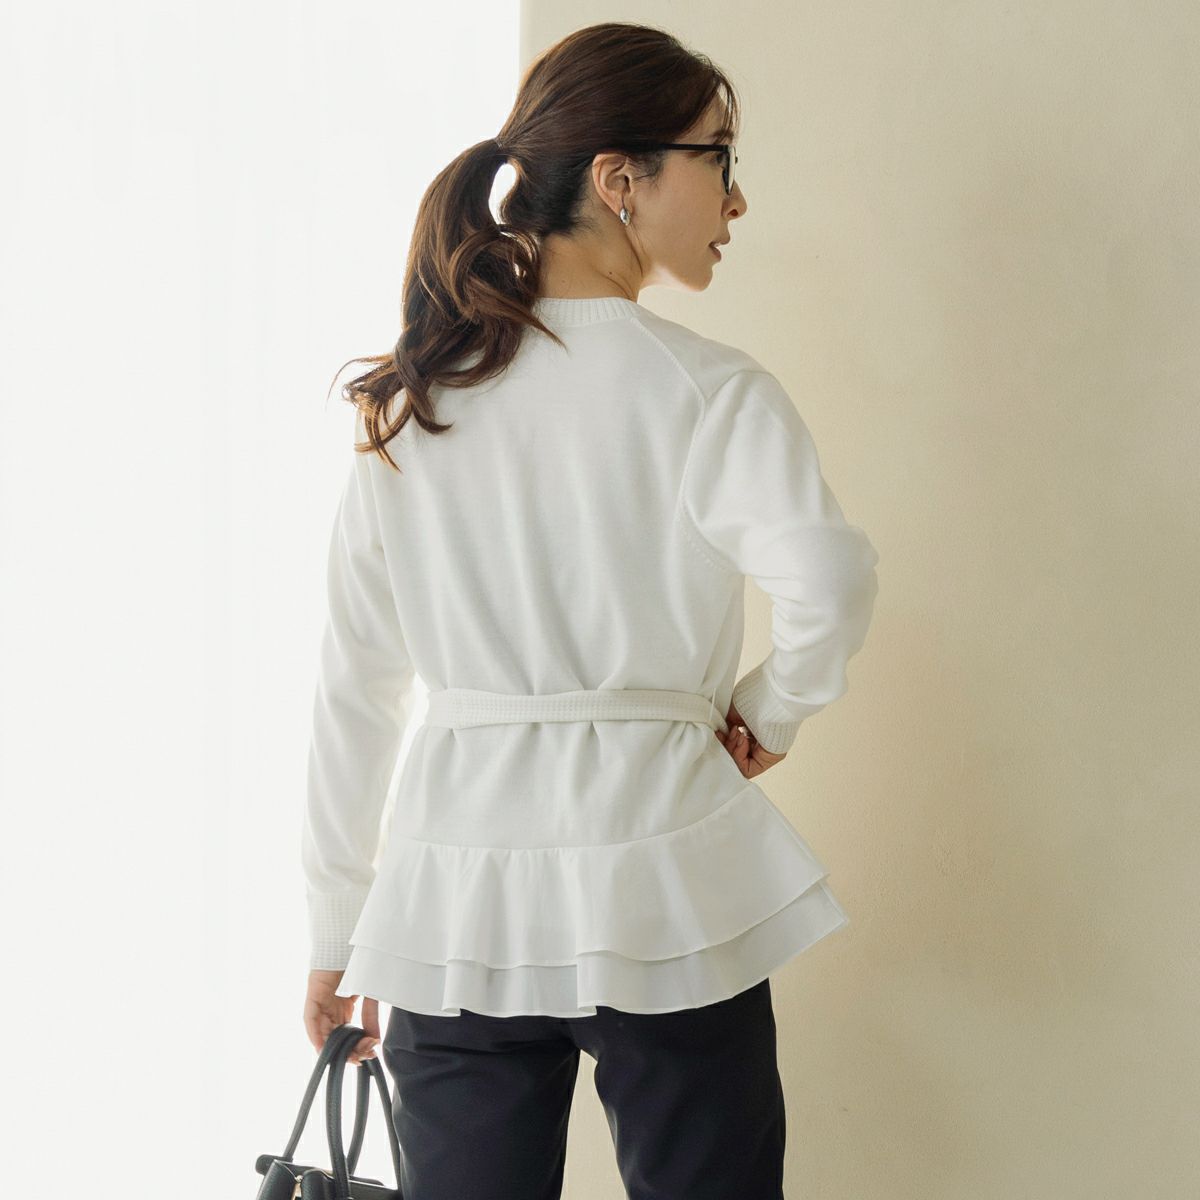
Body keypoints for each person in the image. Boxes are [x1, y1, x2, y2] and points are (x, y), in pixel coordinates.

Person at [298, 20, 880, 1200]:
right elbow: (831, 582)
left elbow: (356, 686)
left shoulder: (414, 407)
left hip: (453, 899)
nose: (736, 198)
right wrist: (769, 712)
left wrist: (337, 928)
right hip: (665, 879)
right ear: (621, 179)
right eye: (718, 159)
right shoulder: (706, 392)